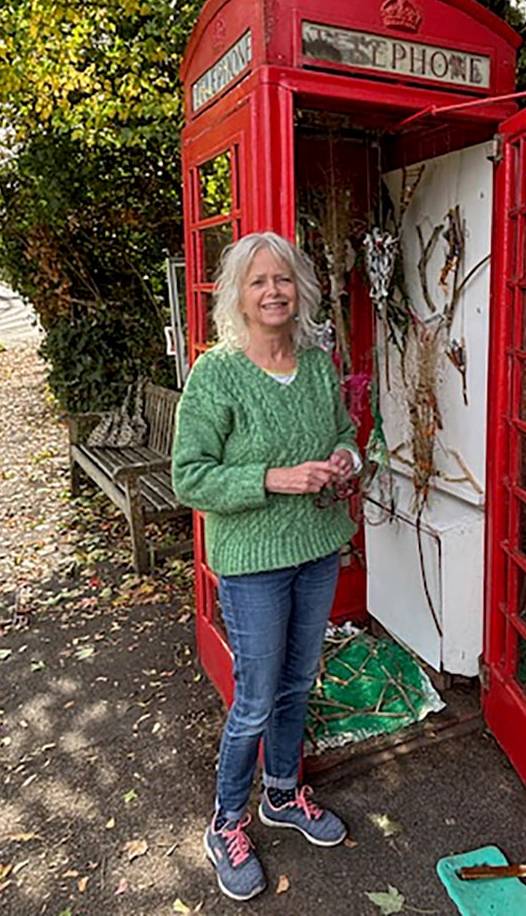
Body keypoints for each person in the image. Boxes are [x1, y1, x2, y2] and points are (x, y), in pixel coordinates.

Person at [171, 231, 360, 902]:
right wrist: (276, 478)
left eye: (283, 279)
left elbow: (342, 431)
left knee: (298, 682)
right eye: (258, 282)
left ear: (300, 289)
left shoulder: (314, 363)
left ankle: (283, 794)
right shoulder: (216, 373)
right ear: (239, 296)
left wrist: (346, 461)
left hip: (316, 549)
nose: (273, 291)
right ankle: (225, 822)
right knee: (254, 697)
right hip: (252, 562)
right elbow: (189, 478)